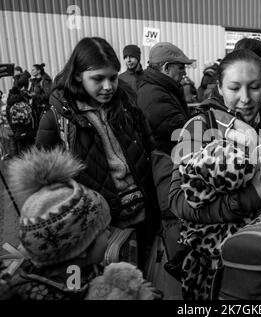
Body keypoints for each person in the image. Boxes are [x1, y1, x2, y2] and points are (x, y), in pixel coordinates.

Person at [34, 37, 161, 271]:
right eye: (98, 79)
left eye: (113, 77)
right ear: (77, 76)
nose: (108, 86)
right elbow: (42, 185)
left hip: (144, 218)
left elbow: (151, 150)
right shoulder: (56, 119)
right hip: (100, 233)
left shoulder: (128, 105)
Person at [169, 50, 261, 300]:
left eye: (254, 87)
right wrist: (249, 199)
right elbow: (178, 203)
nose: (245, 98)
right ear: (220, 88)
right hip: (211, 270)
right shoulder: (200, 126)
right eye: (234, 88)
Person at [2, 147, 111, 299]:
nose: (109, 233)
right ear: (81, 249)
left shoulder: (73, 269)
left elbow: (75, 283)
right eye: (102, 230)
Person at [137, 42, 194, 155]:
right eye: (181, 68)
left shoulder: (161, 89)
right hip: (169, 161)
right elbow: (184, 131)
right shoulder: (155, 96)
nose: (184, 72)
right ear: (166, 67)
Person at [6, 76, 35, 155]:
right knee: (30, 150)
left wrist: (15, 131)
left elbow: (9, 119)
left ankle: (21, 165)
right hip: (29, 131)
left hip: (18, 132)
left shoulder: (9, 105)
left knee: (20, 151)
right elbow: (32, 115)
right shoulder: (24, 101)